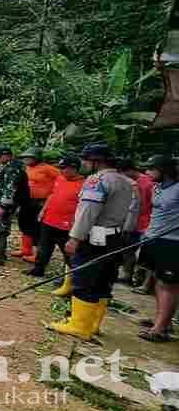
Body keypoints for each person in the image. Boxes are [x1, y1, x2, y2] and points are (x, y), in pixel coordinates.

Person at [48, 144, 134, 341]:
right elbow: (131, 212)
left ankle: (79, 325)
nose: (84, 164)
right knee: (104, 279)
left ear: (96, 161)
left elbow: (88, 212)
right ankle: (92, 324)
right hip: (115, 236)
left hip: (95, 237)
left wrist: (75, 238)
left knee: (85, 278)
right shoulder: (126, 181)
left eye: (86, 160)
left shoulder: (97, 181)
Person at [137, 155, 179, 342]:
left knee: (168, 285)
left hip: (172, 242)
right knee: (157, 281)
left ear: (164, 170)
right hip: (154, 237)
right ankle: (162, 320)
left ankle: (160, 330)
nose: (147, 172)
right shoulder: (157, 187)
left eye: (151, 169)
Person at [27, 155, 84, 281]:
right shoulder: (60, 178)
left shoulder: (83, 185)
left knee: (68, 252)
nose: (61, 171)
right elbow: (52, 194)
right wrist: (43, 210)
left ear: (74, 168)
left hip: (67, 224)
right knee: (43, 247)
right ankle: (38, 269)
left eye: (64, 168)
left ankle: (71, 278)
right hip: (49, 220)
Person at [14, 148, 60, 264]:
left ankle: (38, 255)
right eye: (25, 158)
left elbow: (62, 179)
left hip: (41, 203)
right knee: (25, 225)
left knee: (38, 228)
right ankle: (26, 250)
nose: (26, 160)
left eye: (29, 157)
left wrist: (53, 194)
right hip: (27, 201)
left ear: (37, 158)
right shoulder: (26, 168)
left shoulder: (48, 169)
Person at [0, 146, 30, 266]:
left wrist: (3, 206)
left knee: (0, 228)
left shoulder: (13, 168)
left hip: (6, 204)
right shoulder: (6, 166)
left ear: (7, 155)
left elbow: (10, 189)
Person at [117, 158, 154, 287]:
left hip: (146, 223)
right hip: (131, 222)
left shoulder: (148, 183)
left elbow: (154, 204)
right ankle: (127, 275)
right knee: (127, 250)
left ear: (129, 170)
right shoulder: (128, 182)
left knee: (145, 255)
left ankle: (141, 281)